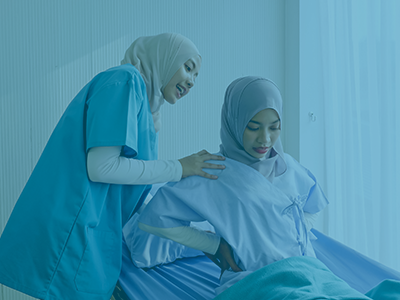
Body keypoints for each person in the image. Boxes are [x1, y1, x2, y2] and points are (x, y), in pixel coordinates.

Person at [0, 33, 225, 300]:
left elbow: (137, 191)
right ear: (164, 57)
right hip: (72, 226)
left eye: (196, 76)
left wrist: (208, 241)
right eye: (188, 67)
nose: (191, 81)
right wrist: (179, 167)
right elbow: (102, 167)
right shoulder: (125, 82)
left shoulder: (147, 110)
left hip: (94, 234)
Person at [137, 76, 330, 295]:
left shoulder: (288, 167)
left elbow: (313, 206)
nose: (265, 140)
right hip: (256, 283)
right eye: (253, 127)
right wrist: (213, 244)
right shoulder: (214, 171)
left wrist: (293, 235)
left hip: (309, 273)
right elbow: (153, 221)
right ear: (234, 122)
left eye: (274, 128)